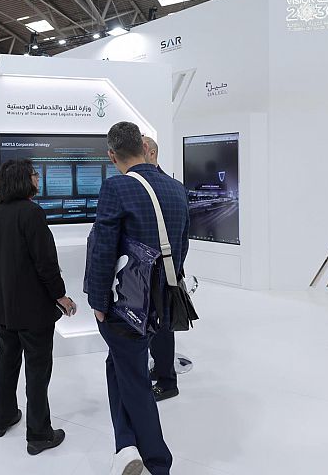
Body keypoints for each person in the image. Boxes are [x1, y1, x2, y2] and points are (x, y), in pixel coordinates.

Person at [86, 122, 190, 475]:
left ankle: (158, 462)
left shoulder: (115, 187)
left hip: (125, 304)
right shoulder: (176, 188)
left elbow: (103, 249)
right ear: (144, 147)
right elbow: (182, 246)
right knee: (118, 364)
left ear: (111, 155)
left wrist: (98, 302)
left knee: (134, 382)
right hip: (162, 302)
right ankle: (125, 446)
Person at [0, 159, 77, 455]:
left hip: (3, 306)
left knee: (6, 361)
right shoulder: (32, 213)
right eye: (35, 175)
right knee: (37, 369)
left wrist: (0, 288)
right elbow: (45, 262)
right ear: (25, 180)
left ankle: (3, 417)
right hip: (33, 310)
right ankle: (38, 434)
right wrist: (61, 296)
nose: (38, 179)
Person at [142, 136, 179, 403]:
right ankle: (161, 369)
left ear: (151, 152)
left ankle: (167, 382)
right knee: (157, 325)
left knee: (162, 327)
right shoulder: (172, 186)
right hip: (159, 270)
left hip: (161, 271)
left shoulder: (165, 186)